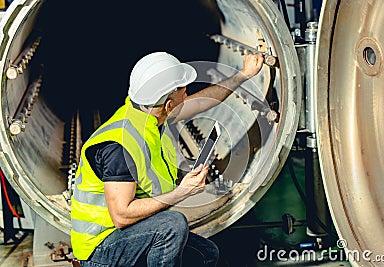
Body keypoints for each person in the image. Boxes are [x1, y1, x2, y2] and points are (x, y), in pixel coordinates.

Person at [70, 51, 264, 267]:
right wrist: (183, 192)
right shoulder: (119, 147)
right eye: (183, 91)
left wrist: (243, 75)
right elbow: (122, 216)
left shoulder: (149, 115)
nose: (187, 95)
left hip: (128, 234)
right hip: (100, 250)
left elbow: (202, 102)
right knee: (171, 225)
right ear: (169, 105)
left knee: (206, 254)